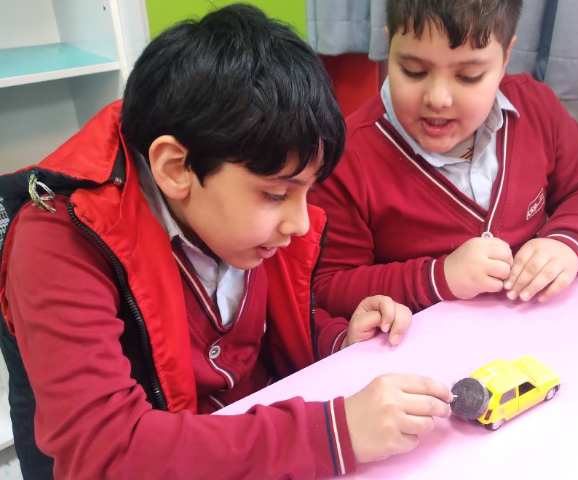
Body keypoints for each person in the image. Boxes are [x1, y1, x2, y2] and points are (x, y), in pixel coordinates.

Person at [0, 5, 451, 479]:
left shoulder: (238, 208)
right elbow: (106, 451)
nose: (300, 224)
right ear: (175, 168)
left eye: (306, 191)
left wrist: (338, 340)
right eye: (276, 194)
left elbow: (265, 337)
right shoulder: (58, 243)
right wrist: (335, 432)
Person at [309, 0, 578, 318]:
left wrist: (568, 242)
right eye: (414, 71)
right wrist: (439, 277)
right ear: (389, 47)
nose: (438, 99)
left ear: (505, 58)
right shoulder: (345, 157)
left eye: (469, 76)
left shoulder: (535, 106)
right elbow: (329, 287)